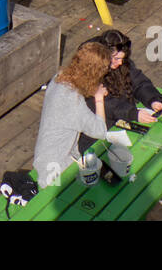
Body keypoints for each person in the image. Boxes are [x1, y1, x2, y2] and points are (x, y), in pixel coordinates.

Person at [82, 30, 162, 207]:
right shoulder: (89, 65)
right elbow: (99, 104)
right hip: (95, 128)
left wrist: (153, 99)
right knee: (108, 172)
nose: (119, 63)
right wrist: (133, 114)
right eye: (115, 59)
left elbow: (139, 82)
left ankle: (148, 184)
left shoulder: (121, 62)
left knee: (150, 147)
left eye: (122, 59)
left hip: (123, 119)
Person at [33, 42, 134, 189]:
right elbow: (100, 131)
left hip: (43, 155)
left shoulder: (59, 78)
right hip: (56, 170)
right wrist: (99, 98)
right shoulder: (73, 102)